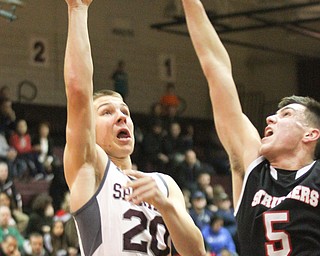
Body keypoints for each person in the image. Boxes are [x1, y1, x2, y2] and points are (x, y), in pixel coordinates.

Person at [62, 0, 205, 256]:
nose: (121, 116)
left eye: (125, 112)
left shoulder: (164, 184)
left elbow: (196, 252)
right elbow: (77, 92)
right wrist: (77, 9)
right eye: (107, 112)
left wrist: (165, 206)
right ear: (89, 129)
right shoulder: (91, 169)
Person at [181, 0, 320, 255]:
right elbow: (217, 70)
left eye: (285, 114)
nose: (270, 119)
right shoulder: (254, 169)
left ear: (311, 134)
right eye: (273, 114)